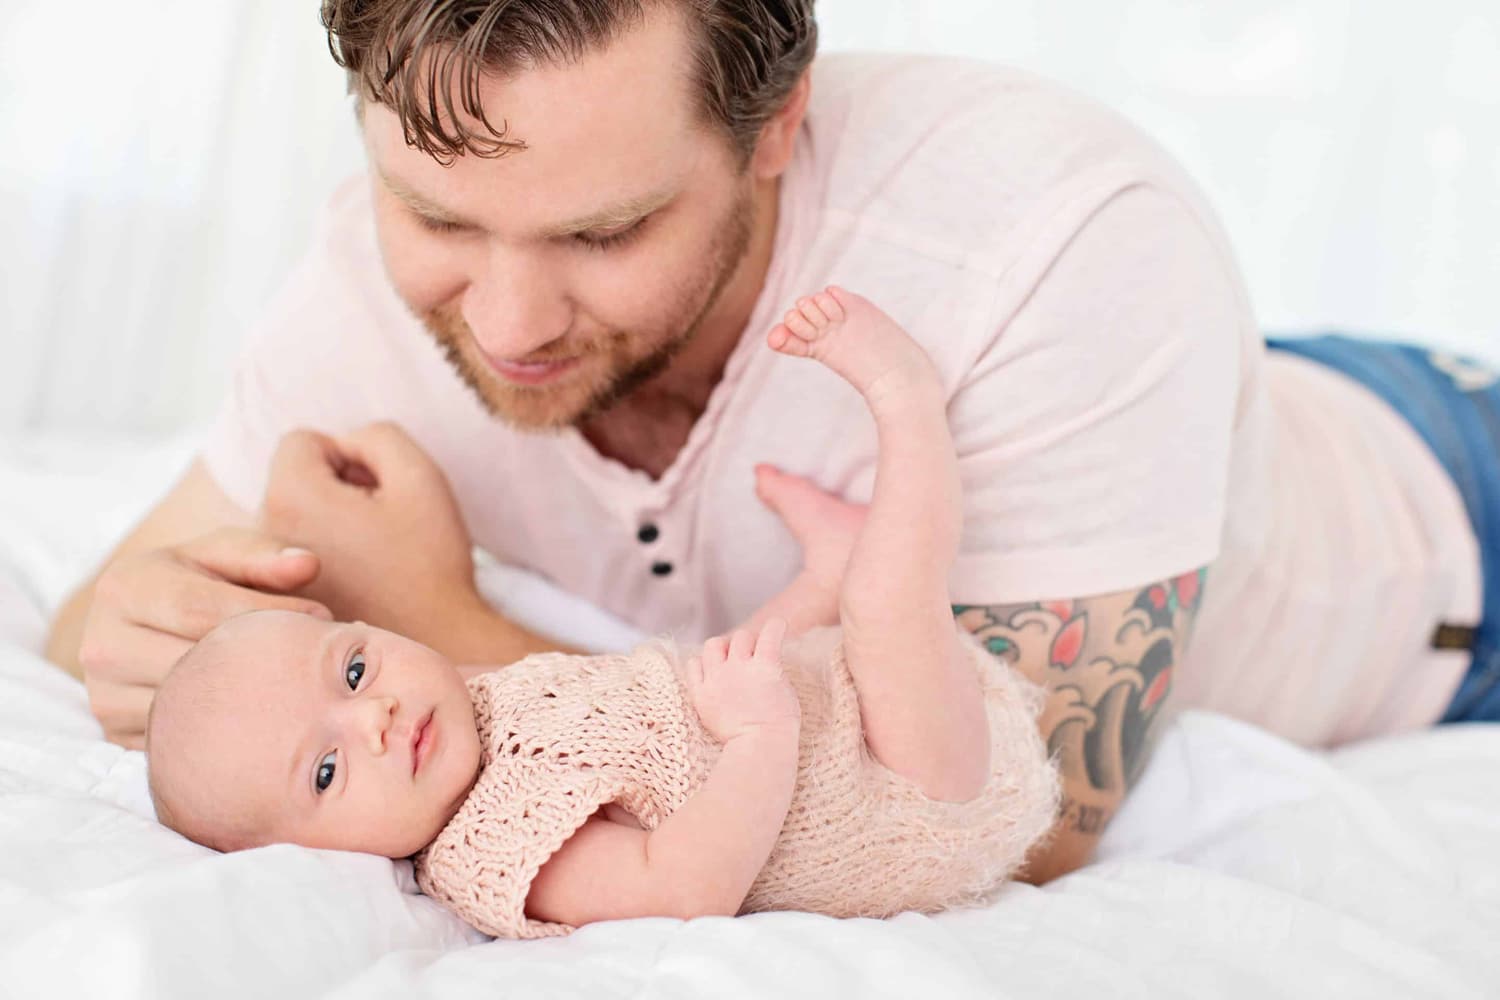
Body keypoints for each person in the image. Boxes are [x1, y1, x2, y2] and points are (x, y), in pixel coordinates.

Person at [43, 0, 1494, 886]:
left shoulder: (1064, 237)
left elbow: (1008, 818)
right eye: (433, 218)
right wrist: (151, 644)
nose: (506, 317)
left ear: (778, 124)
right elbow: (105, 627)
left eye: (601, 233)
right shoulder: (369, 279)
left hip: (1438, 530)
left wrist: (430, 618)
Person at [145, 290, 1061, 938]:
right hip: (915, 794)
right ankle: (903, 399)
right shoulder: (493, 847)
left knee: (726, 661)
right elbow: (685, 886)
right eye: (328, 772)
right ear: (310, 857)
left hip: (839, 719)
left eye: (352, 671)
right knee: (888, 597)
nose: (374, 717)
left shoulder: (476, 710)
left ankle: (822, 573)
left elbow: (676, 704)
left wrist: (761, 673)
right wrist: (758, 742)